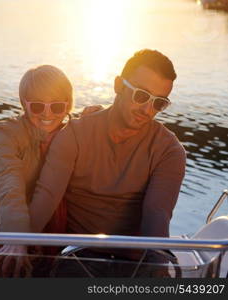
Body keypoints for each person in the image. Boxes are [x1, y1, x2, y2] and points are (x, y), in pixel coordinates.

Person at [27, 49, 186, 277]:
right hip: (77, 256)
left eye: (158, 103)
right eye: (141, 95)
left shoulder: (169, 151)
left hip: (133, 262)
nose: (147, 109)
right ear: (119, 85)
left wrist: (157, 268)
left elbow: (157, 215)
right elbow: (46, 197)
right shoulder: (75, 134)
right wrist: (17, 244)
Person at [0, 65, 102, 277]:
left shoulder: (75, 133)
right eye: (38, 107)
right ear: (24, 104)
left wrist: (101, 119)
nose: (47, 114)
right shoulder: (5, 133)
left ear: (68, 105)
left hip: (58, 235)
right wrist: (15, 239)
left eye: (57, 106)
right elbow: (9, 185)